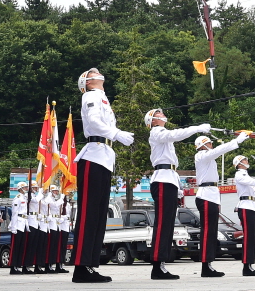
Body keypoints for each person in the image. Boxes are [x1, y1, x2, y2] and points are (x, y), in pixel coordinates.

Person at [71, 68, 134, 284]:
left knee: (98, 217)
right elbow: (95, 123)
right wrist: (117, 134)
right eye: (91, 72)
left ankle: (89, 264)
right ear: (87, 82)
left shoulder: (102, 97)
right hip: (93, 155)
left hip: (105, 156)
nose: (97, 72)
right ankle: (80, 267)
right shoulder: (90, 96)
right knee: (89, 214)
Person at [144, 108, 209, 280]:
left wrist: (178, 187)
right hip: (163, 180)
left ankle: (161, 264)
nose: (162, 115)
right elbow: (175, 135)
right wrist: (196, 128)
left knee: (167, 224)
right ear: (152, 121)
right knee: (163, 224)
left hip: (169, 179)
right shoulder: (157, 132)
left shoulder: (163, 135)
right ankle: (157, 266)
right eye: (158, 114)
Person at [193, 132, 248, 277]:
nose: (212, 145)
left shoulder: (208, 157)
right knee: (207, 232)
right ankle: (205, 266)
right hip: (205, 195)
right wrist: (236, 141)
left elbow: (217, 152)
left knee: (211, 232)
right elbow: (219, 150)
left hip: (211, 195)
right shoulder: (201, 156)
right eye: (210, 143)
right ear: (204, 145)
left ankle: (209, 264)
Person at [8, 182, 28, 275]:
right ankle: (13, 267)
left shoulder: (25, 198)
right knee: (15, 247)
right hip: (18, 224)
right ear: (20, 188)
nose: (26, 188)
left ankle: (17, 265)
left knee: (21, 247)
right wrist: (13, 227)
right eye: (25, 187)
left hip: (23, 223)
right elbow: (14, 214)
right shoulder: (17, 199)